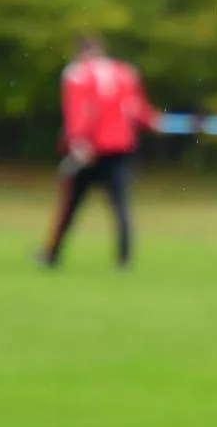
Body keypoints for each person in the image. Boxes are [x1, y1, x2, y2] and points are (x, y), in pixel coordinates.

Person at [35, 34, 163, 269]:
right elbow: (137, 110)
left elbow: (78, 111)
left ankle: (51, 255)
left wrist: (77, 141)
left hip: (89, 150)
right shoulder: (124, 72)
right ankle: (124, 260)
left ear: (79, 52)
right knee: (120, 205)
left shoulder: (76, 73)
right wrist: (153, 120)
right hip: (120, 148)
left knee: (70, 205)